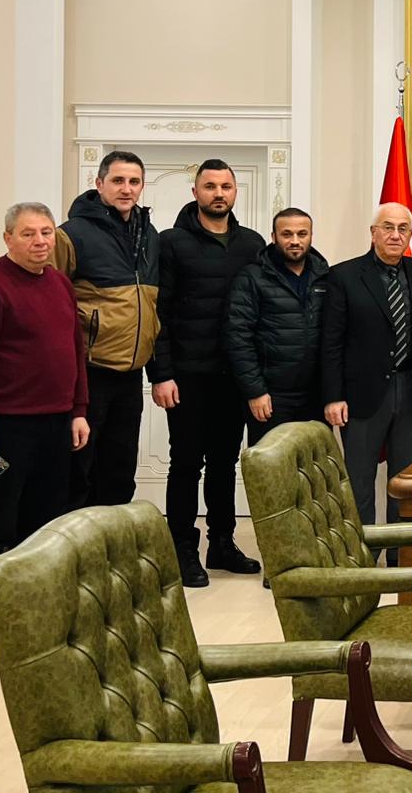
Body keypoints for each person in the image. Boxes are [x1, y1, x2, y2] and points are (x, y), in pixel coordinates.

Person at [0, 203, 90, 656]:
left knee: (43, 527)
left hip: (55, 424)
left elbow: (74, 351)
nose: (40, 242)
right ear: (8, 237)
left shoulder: (60, 284)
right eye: (28, 233)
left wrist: (78, 409)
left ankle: (34, 615)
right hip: (4, 431)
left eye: (46, 232)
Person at [148, 160, 266, 586]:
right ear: (195, 192)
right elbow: (157, 313)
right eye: (210, 186)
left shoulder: (252, 244)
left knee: (224, 463)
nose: (219, 193)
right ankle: (182, 549)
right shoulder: (171, 243)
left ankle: (222, 544)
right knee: (185, 464)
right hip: (186, 376)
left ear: (235, 192)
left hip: (233, 377)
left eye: (226, 186)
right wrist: (160, 373)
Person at [54, 149, 160, 509]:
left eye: (134, 181)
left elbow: (152, 303)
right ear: (99, 184)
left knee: (119, 469)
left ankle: (113, 541)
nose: (126, 189)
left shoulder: (149, 234)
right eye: (117, 180)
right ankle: (76, 541)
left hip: (130, 375)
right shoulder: (72, 234)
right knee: (79, 469)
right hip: (89, 372)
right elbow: (50, 299)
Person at [321, 202, 412, 528]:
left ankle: (401, 551)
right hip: (362, 394)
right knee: (359, 481)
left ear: (410, 235)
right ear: (373, 233)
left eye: (403, 229)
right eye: (388, 227)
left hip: (411, 391)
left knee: (405, 482)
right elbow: (331, 342)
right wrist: (333, 396)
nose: (395, 235)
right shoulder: (344, 276)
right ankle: (362, 551)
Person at [224, 206, 330, 445]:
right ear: (273, 237)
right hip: (271, 398)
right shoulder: (252, 277)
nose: (295, 241)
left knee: (312, 465)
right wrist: (255, 391)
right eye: (286, 234)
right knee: (269, 466)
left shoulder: (326, 276)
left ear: (311, 236)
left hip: (315, 397)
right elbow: (238, 339)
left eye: (302, 234)